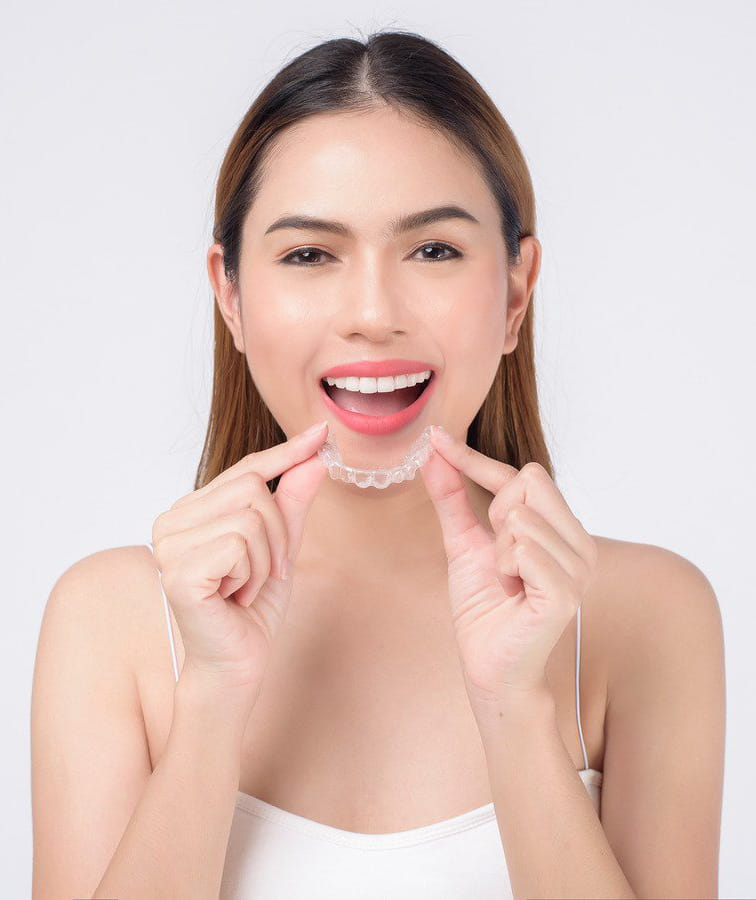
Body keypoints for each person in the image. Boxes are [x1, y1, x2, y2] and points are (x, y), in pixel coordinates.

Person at [31, 29, 725, 900]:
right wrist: (212, 697)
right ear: (231, 297)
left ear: (515, 293)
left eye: (433, 250)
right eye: (309, 255)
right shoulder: (112, 623)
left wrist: (516, 710)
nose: (371, 313)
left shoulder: (649, 618)